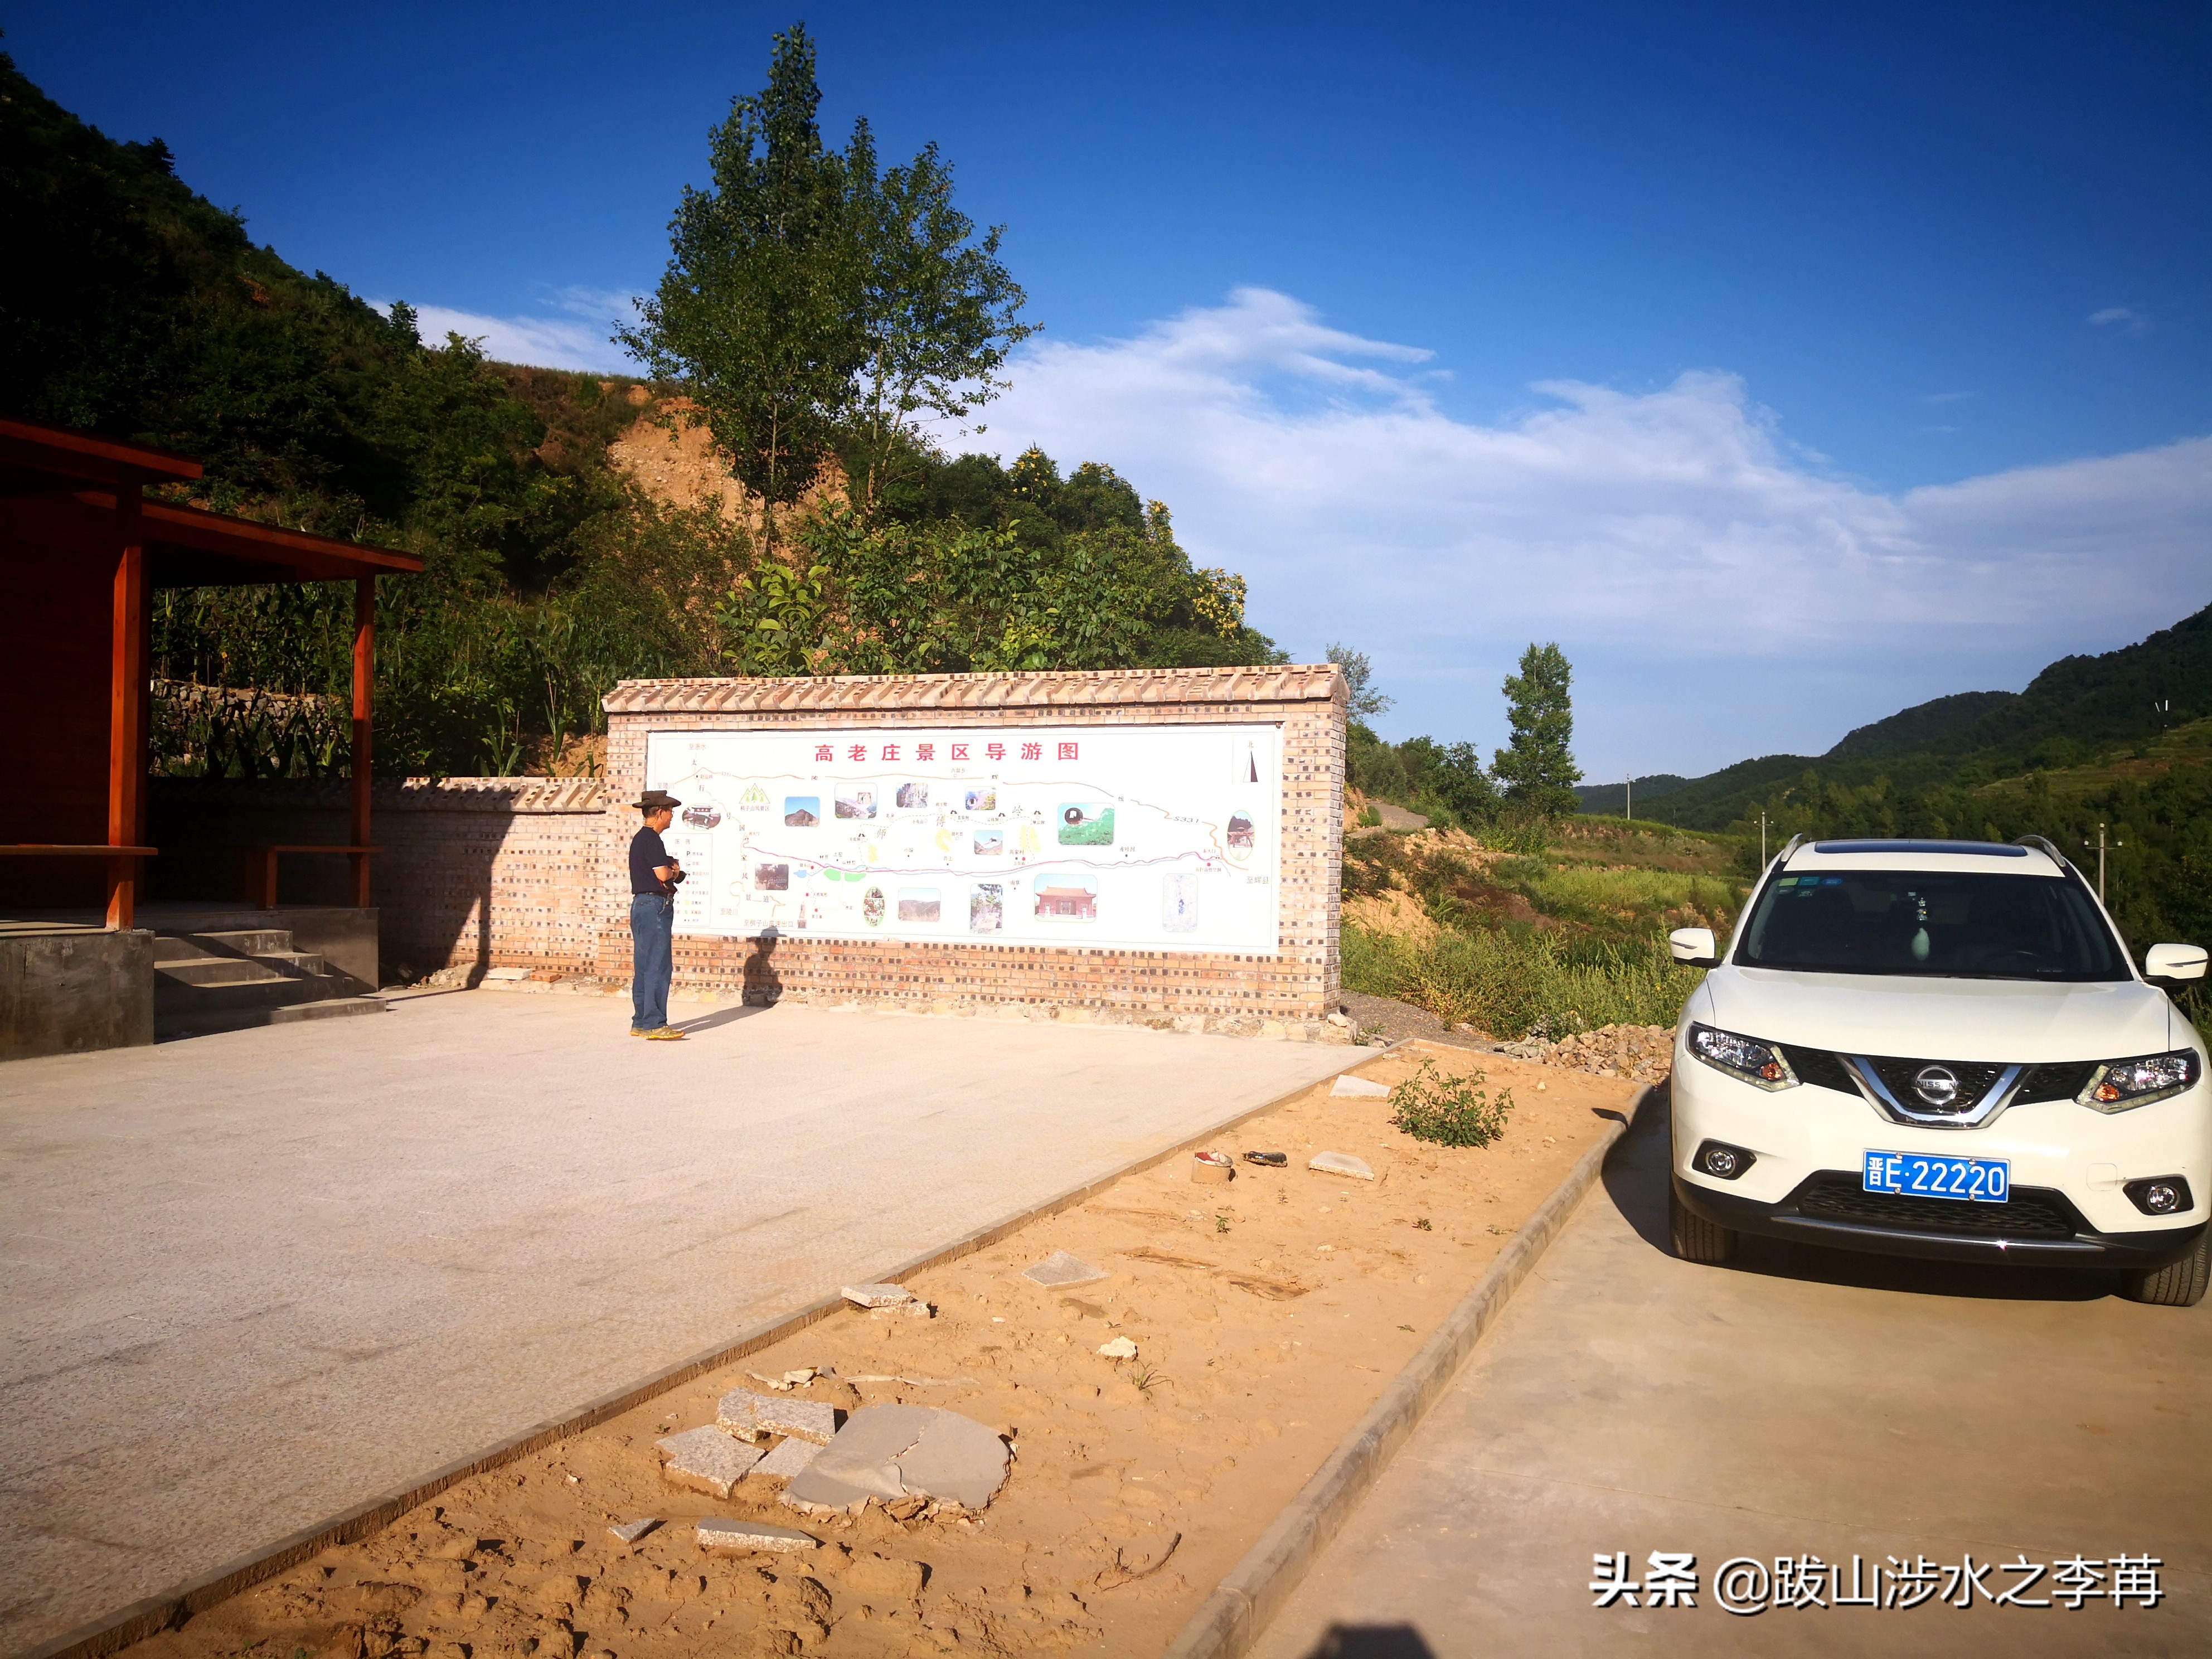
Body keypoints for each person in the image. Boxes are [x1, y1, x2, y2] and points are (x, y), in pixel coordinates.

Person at [629, 790, 686, 1039]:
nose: (672, 816)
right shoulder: (651, 839)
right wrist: (674, 872)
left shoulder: (641, 839)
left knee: (644, 965)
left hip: (642, 906)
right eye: (670, 811)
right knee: (658, 966)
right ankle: (655, 1023)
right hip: (655, 906)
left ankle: (641, 1022)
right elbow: (662, 875)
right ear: (660, 812)